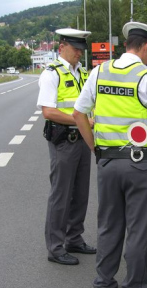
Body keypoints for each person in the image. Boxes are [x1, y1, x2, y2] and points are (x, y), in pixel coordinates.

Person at [73, 21, 147, 288]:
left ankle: (103, 283)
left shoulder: (98, 72)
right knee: (138, 229)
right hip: (139, 166)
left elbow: (78, 114)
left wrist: (96, 149)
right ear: (146, 47)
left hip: (107, 163)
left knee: (108, 225)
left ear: (126, 45)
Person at [36, 28, 96, 266]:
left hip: (82, 139)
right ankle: (55, 246)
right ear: (62, 47)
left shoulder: (81, 72)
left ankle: (74, 238)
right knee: (61, 195)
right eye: (76, 49)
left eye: (82, 50)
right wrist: (81, 120)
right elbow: (48, 112)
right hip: (64, 141)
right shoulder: (52, 74)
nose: (79, 54)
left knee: (81, 194)